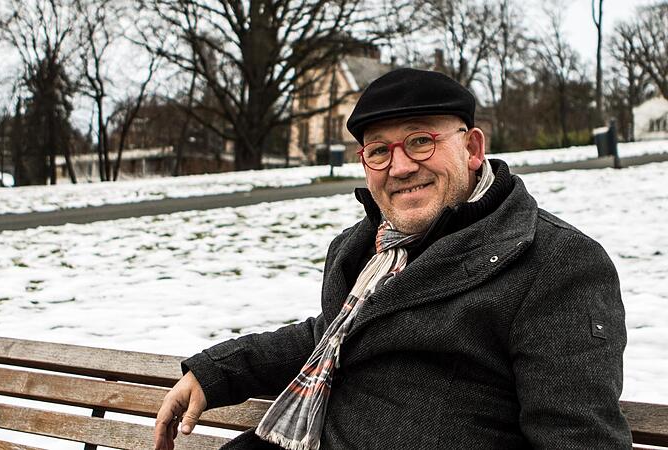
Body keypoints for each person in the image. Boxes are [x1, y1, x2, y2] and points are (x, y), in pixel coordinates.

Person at [153, 68, 630, 450]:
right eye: (380, 151)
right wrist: (215, 373)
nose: (401, 167)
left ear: (472, 148)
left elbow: (578, 438)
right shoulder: (365, 247)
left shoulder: (556, 263)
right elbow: (330, 336)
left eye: (421, 140)